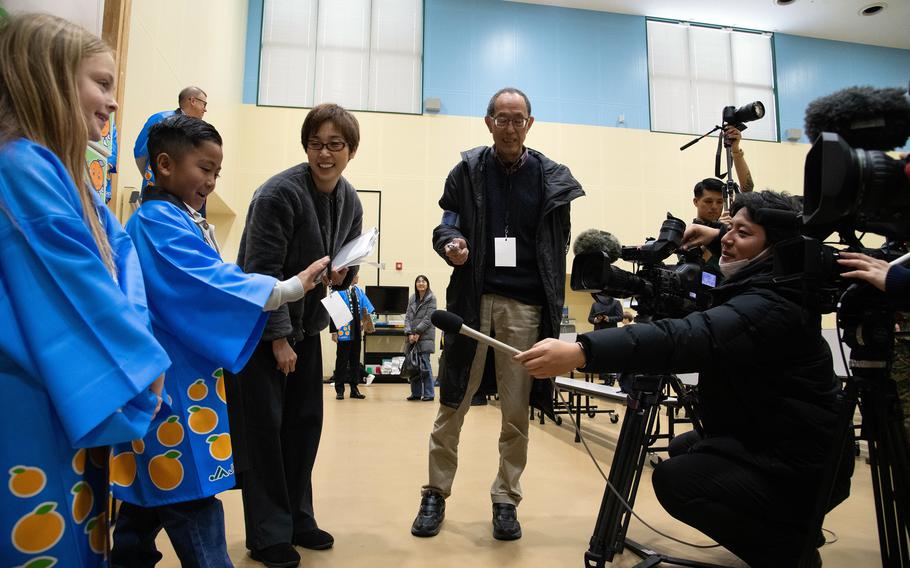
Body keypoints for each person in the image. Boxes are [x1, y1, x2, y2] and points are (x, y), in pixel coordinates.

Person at [515, 190, 853, 567]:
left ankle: (790, 551)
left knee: (677, 480)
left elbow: (690, 335)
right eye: (728, 228)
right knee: (683, 446)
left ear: (774, 247)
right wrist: (718, 238)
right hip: (777, 439)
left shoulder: (770, 303)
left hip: (802, 466)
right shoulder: (767, 284)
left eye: (743, 232)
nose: (727, 238)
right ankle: (786, 523)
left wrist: (584, 350)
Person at [109, 115, 329, 567]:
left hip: (179, 380)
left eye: (216, 173)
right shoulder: (156, 222)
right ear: (164, 165)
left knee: (147, 498)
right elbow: (211, 283)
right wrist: (289, 288)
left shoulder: (175, 219)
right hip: (169, 388)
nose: (210, 181)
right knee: (192, 497)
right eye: (203, 169)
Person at [0, 14, 170, 567]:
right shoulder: (21, 165)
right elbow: (74, 284)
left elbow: (118, 259)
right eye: (100, 83)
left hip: (66, 392)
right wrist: (142, 362)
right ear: (47, 78)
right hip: (38, 391)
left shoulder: (66, 176)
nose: (113, 102)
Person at [411, 87, 584, 541]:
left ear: (530, 122)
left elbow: (557, 248)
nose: (510, 127)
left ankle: (506, 498)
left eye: (518, 119)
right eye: (502, 119)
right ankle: (434, 492)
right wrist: (450, 243)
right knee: (452, 401)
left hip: (526, 308)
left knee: (515, 411)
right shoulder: (466, 172)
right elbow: (446, 222)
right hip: (473, 301)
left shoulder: (552, 179)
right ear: (488, 122)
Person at [228, 103, 364, 568]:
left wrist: (346, 276)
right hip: (266, 332)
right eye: (315, 144)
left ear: (351, 150)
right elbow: (260, 272)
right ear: (305, 146)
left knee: (304, 428)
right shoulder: (278, 194)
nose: (324, 154)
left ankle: (298, 518)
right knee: (266, 432)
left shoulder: (351, 199)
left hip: (309, 329)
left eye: (335, 145)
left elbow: (347, 265)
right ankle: (267, 534)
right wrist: (278, 338)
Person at [134, 86, 207, 195]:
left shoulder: (199, 130)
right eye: (204, 104)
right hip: (159, 187)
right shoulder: (161, 119)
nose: (205, 109)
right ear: (193, 101)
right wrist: (152, 175)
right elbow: (140, 153)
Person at [331, 273, 374, 400]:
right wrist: (333, 332)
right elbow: (332, 312)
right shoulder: (338, 290)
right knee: (342, 361)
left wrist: (367, 323)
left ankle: (354, 389)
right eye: (356, 275)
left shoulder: (359, 291)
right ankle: (339, 390)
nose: (358, 277)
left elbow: (368, 309)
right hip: (343, 331)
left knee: (355, 361)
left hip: (356, 330)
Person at [405, 275, 437, 402]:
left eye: (423, 281)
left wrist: (417, 332)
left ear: (427, 284)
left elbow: (429, 318)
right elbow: (407, 316)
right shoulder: (412, 297)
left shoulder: (431, 298)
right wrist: (409, 333)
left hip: (425, 336)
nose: (421, 283)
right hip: (412, 336)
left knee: (424, 365)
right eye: (418, 281)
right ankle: (416, 393)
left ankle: (429, 394)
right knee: (414, 366)